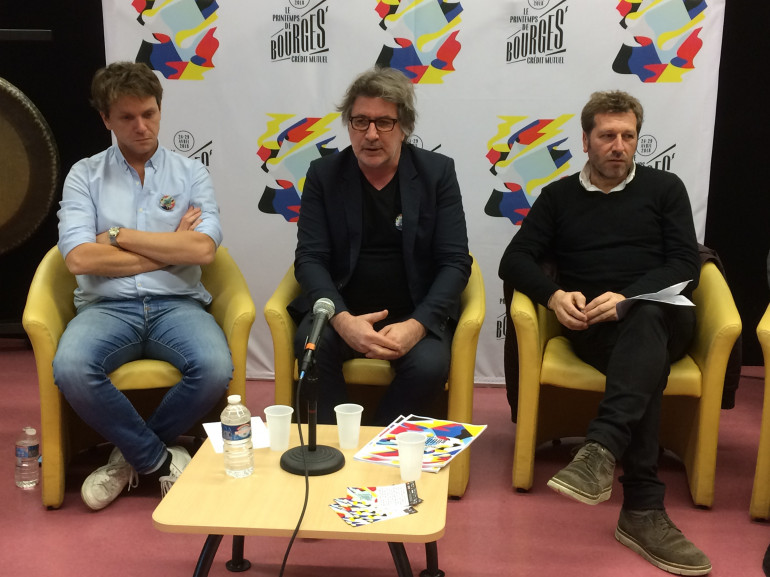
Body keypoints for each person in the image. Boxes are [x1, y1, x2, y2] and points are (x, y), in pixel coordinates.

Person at [499, 90, 711, 575]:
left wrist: (628, 297)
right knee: (642, 364)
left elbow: (685, 263)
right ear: (586, 141)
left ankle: (602, 449)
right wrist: (554, 296)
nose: (619, 146)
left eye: (628, 136)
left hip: (666, 316)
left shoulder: (665, 188)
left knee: (647, 317)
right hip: (596, 328)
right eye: (607, 136)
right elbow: (515, 259)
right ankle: (641, 510)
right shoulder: (558, 197)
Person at [53, 61, 233, 511]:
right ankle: (157, 458)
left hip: (178, 304)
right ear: (106, 119)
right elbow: (79, 258)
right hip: (105, 307)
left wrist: (116, 236)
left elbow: (203, 249)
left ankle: (128, 456)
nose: (142, 126)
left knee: (214, 367)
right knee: (71, 367)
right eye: (128, 117)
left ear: (159, 110)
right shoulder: (84, 175)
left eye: (149, 113)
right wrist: (170, 248)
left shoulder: (191, 174)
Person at [290, 67, 471, 426]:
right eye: (360, 121)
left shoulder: (437, 174)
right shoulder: (323, 175)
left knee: (429, 366)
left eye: (384, 122)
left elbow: (455, 262)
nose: (371, 134)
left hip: (413, 311)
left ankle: (376, 441)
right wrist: (343, 320)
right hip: (343, 310)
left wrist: (416, 325)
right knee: (312, 346)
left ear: (404, 127)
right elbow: (310, 259)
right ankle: (334, 441)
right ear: (349, 125)